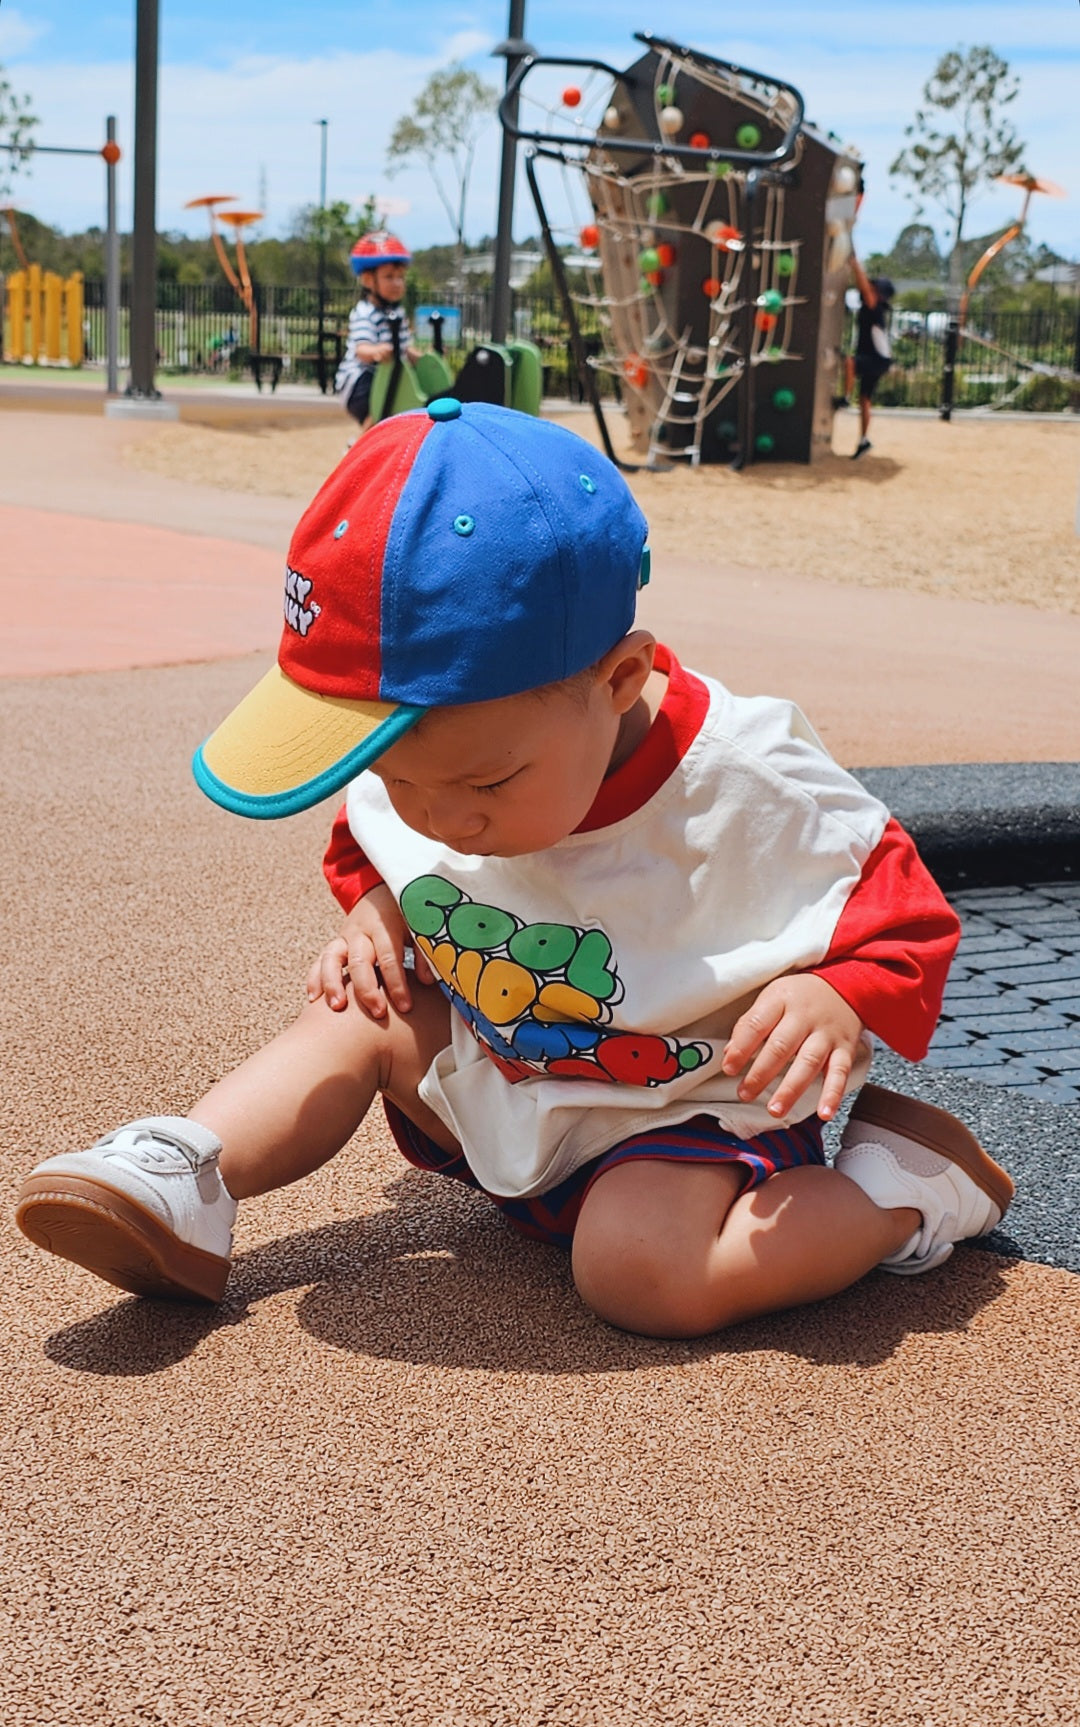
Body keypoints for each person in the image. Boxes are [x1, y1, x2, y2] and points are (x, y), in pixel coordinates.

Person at [15, 402, 1013, 1338]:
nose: (444, 820)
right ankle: (191, 1170)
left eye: (485, 780)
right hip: (505, 1056)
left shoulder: (748, 783)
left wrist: (835, 990)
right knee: (358, 1013)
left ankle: (900, 1185)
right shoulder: (436, 760)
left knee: (639, 1272)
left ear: (619, 678)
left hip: (680, 1103)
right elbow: (373, 838)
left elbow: (904, 909)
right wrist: (378, 912)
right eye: (396, 775)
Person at [334, 231, 420, 434]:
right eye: (389, 277)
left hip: (388, 377)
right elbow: (361, 349)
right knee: (378, 413)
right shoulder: (365, 313)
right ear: (367, 279)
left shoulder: (397, 313)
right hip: (358, 383)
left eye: (400, 277)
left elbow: (406, 349)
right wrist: (376, 351)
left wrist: (423, 359)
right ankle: (361, 447)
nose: (397, 283)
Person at [848, 255, 895, 459]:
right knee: (865, 398)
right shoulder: (873, 310)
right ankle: (864, 440)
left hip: (876, 360)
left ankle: (844, 397)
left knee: (849, 362)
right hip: (879, 360)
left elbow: (864, 288)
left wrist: (854, 264)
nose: (869, 289)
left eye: (874, 289)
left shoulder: (874, 309)